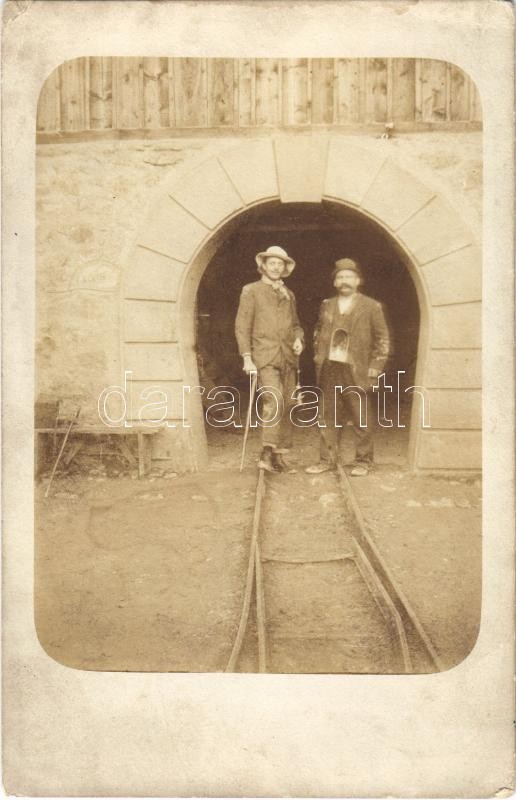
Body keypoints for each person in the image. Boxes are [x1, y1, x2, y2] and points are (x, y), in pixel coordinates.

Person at [306, 258, 390, 477]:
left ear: (358, 280)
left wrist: (375, 366)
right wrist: (318, 356)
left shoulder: (371, 306)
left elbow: (382, 339)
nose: (344, 281)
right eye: (340, 277)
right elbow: (317, 332)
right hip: (330, 368)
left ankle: (363, 461)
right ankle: (327, 460)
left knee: (360, 415)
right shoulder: (327, 304)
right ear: (335, 282)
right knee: (328, 415)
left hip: (356, 369)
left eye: (349, 277)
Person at [235, 245, 304, 473]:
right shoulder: (251, 290)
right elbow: (242, 326)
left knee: (288, 404)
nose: (276, 267)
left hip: (288, 357)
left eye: (280, 264)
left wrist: (299, 339)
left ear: (285, 268)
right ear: (263, 266)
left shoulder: (289, 294)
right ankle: (266, 453)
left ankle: (279, 455)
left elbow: (296, 325)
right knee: (273, 401)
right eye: (272, 263)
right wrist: (247, 357)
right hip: (264, 356)